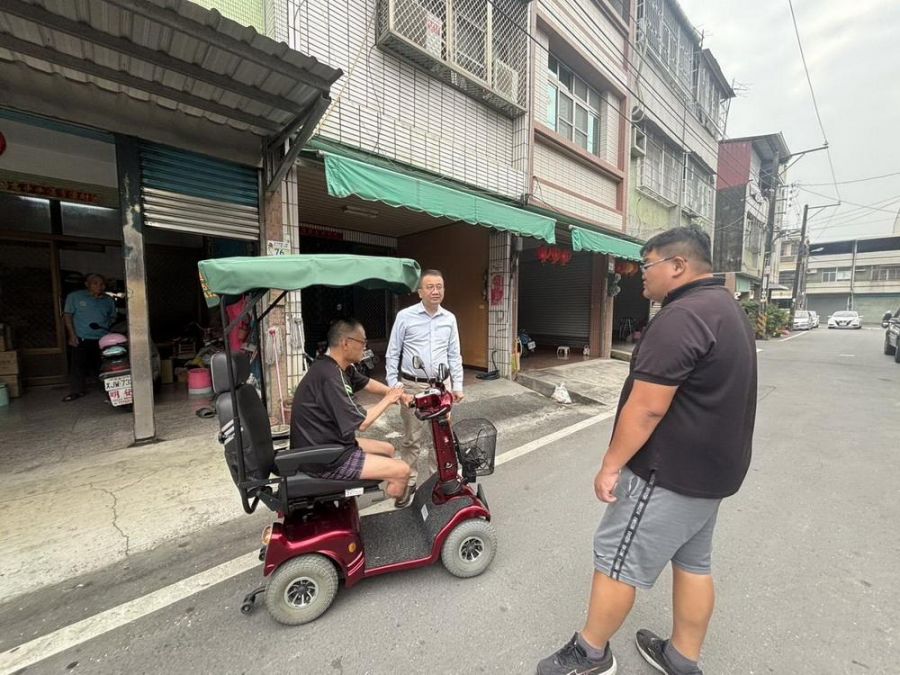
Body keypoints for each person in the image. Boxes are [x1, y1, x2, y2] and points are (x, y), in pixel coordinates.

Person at [537, 226, 757, 675]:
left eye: (647, 264)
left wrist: (611, 465)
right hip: (712, 474)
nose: (640, 274)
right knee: (694, 563)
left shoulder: (682, 317)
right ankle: (681, 658)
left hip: (668, 473)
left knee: (616, 558)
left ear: (678, 266)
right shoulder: (726, 308)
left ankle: (591, 654)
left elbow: (647, 408)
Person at [290, 318, 412, 500]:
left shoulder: (335, 366)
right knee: (402, 471)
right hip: (325, 458)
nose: (365, 347)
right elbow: (363, 423)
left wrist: (396, 394)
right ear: (346, 343)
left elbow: (366, 383)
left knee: (388, 449)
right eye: (362, 342)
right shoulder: (331, 377)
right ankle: (396, 509)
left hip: (329, 443)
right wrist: (389, 399)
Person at [385, 269, 464, 507]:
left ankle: (437, 483)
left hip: (441, 387)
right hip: (413, 385)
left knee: (441, 438)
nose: (435, 291)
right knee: (412, 438)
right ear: (420, 292)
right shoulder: (405, 316)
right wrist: (395, 387)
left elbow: (454, 354)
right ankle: (408, 483)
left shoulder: (449, 318)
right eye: (430, 287)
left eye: (439, 286)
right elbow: (393, 353)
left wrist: (457, 385)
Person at [62, 273, 117, 402]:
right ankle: (76, 391)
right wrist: (72, 335)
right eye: (95, 283)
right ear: (87, 284)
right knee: (78, 365)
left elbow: (113, 317)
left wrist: (106, 325)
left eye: (102, 284)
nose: (99, 286)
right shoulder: (75, 297)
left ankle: (108, 390)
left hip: (102, 339)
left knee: (102, 365)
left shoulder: (108, 300)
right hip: (81, 337)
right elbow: (68, 316)